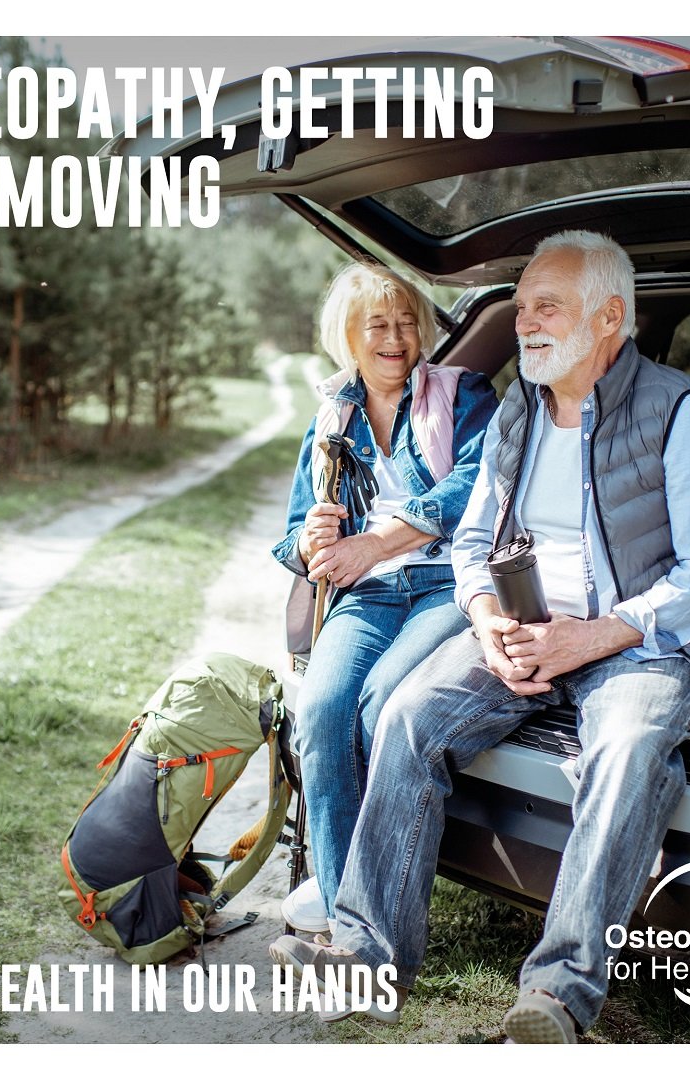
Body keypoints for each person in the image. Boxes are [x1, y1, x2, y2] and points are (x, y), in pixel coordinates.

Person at [269, 230, 690, 1040]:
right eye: (521, 307)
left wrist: (591, 638)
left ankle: (556, 993)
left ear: (609, 319)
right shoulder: (519, 410)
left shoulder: (679, 411)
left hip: (645, 641)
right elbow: (471, 541)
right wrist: (488, 620)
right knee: (409, 714)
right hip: (523, 626)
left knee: (627, 751)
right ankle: (364, 952)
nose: (525, 323)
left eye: (546, 307)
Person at [271, 261, 498, 937]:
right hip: (366, 597)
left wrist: (379, 542)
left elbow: (475, 485)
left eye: (405, 322)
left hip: (441, 585)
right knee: (320, 711)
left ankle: (371, 903)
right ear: (349, 335)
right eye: (378, 324)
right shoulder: (332, 419)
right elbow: (290, 535)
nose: (395, 337)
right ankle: (348, 911)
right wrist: (312, 546)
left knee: (378, 707)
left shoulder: (463, 392)